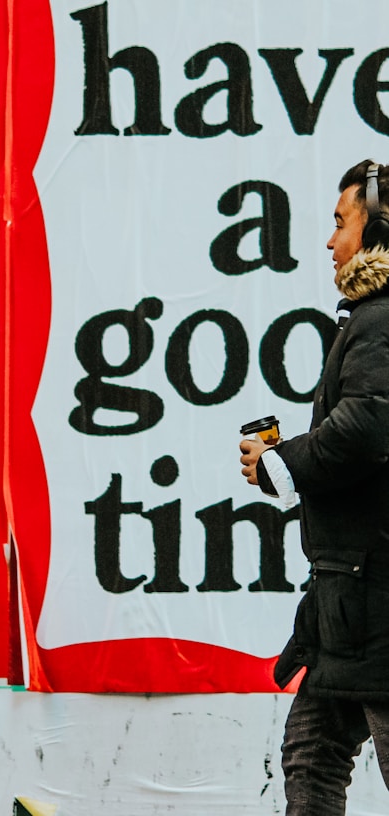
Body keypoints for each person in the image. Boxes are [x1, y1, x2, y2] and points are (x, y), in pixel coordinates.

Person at [239, 159, 389, 815]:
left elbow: (370, 422)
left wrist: (281, 463)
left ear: (380, 226)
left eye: (340, 223)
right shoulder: (369, 317)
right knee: (311, 754)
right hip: (351, 600)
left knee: (314, 757)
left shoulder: (381, 318)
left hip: (375, 601)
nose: (329, 241)